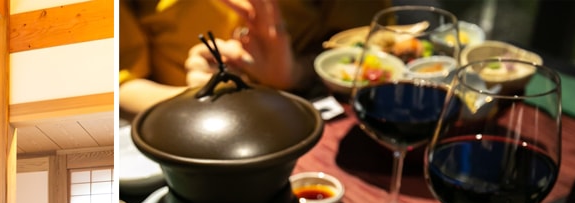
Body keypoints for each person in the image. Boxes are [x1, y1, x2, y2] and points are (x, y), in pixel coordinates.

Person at [119, 0, 388, 116]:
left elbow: (374, 49)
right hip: (185, 128)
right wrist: (194, 97)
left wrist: (297, 73)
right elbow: (119, 86)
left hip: (314, 107)